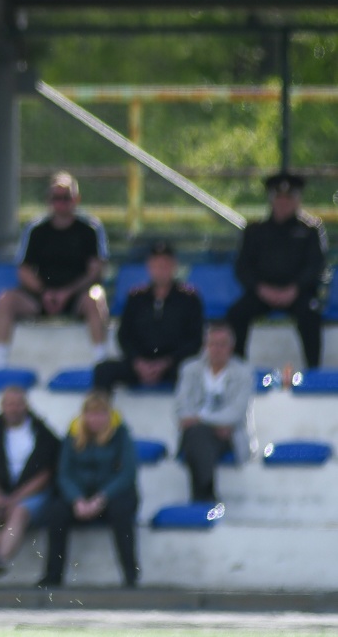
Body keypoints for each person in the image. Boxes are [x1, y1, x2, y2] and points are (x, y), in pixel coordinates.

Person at [0, 173, 110, 366]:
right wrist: (44, 292)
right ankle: (0, 363)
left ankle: (100, 361)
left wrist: (67, 292)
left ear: (76, 199)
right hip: (41, 296)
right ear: (49, 200)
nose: (61, 203)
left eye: (66, 198)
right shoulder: (36, 229)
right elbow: (23, 270)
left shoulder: (90, 229)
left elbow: (95, 270)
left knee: (96, 298)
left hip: (77, 296)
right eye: (56, 198)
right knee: (5, 300)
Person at [227, 171, 328, 370]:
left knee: (311, 315)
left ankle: (314, 371)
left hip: (298, 294)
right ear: (271, 200)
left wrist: (295, 289)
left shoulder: (310, 231)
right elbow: (242, 267)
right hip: (262, 293)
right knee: (236, 314)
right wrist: (261, 289)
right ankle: (237, 370)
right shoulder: (255, 231)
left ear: (297, 201)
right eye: (279, 198)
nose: (283, 203)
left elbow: (316, 266)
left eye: (289, 198)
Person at [39, 391, 140, 588]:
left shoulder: (121, 434)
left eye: (101, 414)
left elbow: (127, 473)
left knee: (122, 512)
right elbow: (64, 473)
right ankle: (53, 576)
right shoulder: (73, 435)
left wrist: (101, 498)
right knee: (56, 512)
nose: (96, 419)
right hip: (81, 496)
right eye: (92, 414)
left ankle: (130, 575)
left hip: (112, 495)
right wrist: (77, 499)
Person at [0, 386, 61, 580]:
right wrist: (0, 498)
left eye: (18, 404)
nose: (14, 408)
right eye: (9, 404)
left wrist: (13, 500)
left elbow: (43, 476)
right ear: (2, 406)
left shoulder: (43, 434)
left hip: (32, 493)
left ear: (26, 406)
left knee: (20, 511)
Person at [93, 240, 204, 393]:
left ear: (174, 266)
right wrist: (137, 362)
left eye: (165, 265)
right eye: (157, 265)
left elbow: (195, 340)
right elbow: (124, 336)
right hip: (139, 363)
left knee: (193, 373)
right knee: (104, 370)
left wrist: (167, 362)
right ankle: (100, 413)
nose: (161, 270)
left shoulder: (189, 298)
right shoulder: (136, 297)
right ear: (149, 267)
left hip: (173, 365)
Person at [174, 321, 255, 502]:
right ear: (205, 346)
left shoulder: (243, 373)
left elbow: (236, 412)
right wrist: (212, 423)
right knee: (198, 434)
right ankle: (206, 494)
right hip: (203, 432)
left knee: (196, 433)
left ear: (231, 347)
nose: (217, 349)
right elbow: (181, 407)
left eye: (222, 345)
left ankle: (202, 497)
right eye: (212, 344)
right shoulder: (190, 369)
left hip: (228, 435)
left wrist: (200, 418)